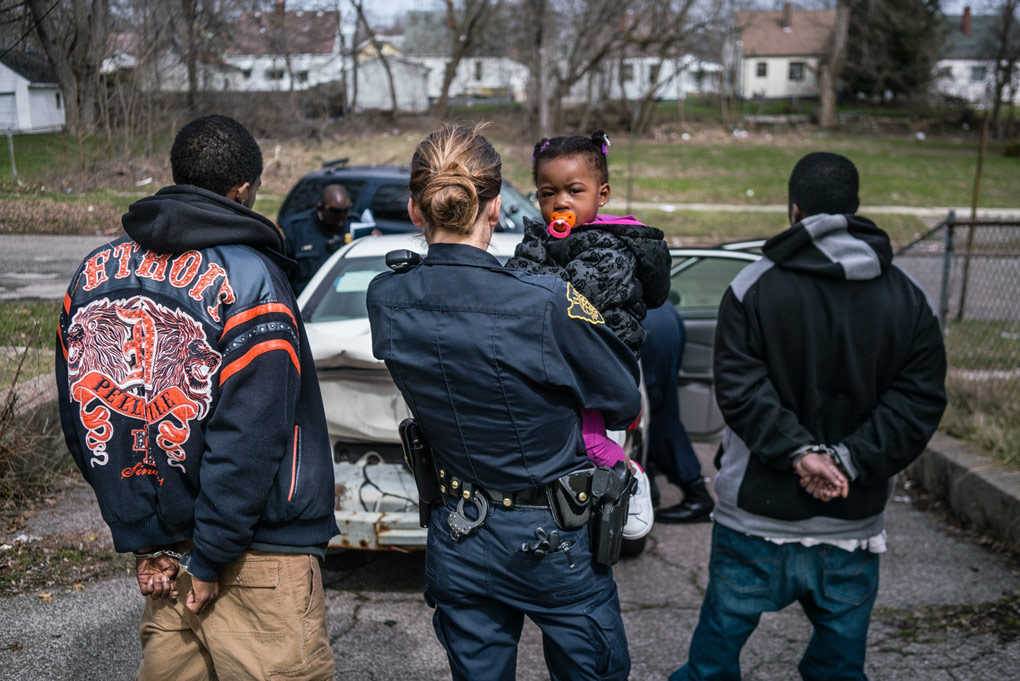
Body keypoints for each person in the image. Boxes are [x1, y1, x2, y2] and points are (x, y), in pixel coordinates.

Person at [55, 114, 339, 680]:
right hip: (253, 557)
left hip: (165, 554)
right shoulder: (252, 278)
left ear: (178, 174)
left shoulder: (92, 274)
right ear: (243, 191)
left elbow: (85, 420)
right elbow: (251, 436)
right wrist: (209, 556)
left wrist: (146, 538)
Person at [367, 124, 640, 681]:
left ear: (416, 210)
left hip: (458, 530)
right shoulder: (545, 302)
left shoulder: (387, 297)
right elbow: (622, 399)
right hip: (553, 541)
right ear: (495, 207)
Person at [669, 152, 947, 681]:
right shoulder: (910, 297)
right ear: (855, 207)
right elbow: (918, 402)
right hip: (852, 519)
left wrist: (801, 454)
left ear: (793, 210)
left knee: (712, 666)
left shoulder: (752, 287)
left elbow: (741, 391)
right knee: (838, 669)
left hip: (755, 519)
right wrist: (847, 460)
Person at [504, 130, 672, 540]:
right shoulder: (540, 241)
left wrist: (534, 268)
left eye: (574, 191)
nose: (560, 202)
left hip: (601, 366)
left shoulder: (613, 249)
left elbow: (564, 298)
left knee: (590, 443)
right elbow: (517, 288)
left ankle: (630, 476)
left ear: (603, 194)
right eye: (548, 194)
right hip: (566, 362)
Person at [639, 303, 714, 524]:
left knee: (654, 416)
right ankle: (650, 486)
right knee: (660, 411)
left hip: (645, 324)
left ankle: (696, 494)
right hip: (662, 314)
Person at [281, 183, 354, 293]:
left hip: (344, 296)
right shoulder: (297, 229)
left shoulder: (353, 224)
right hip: (306, 298)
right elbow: (280, 270)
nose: (341, 219)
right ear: (320, 207)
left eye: (346, 211)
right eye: (336, 213)